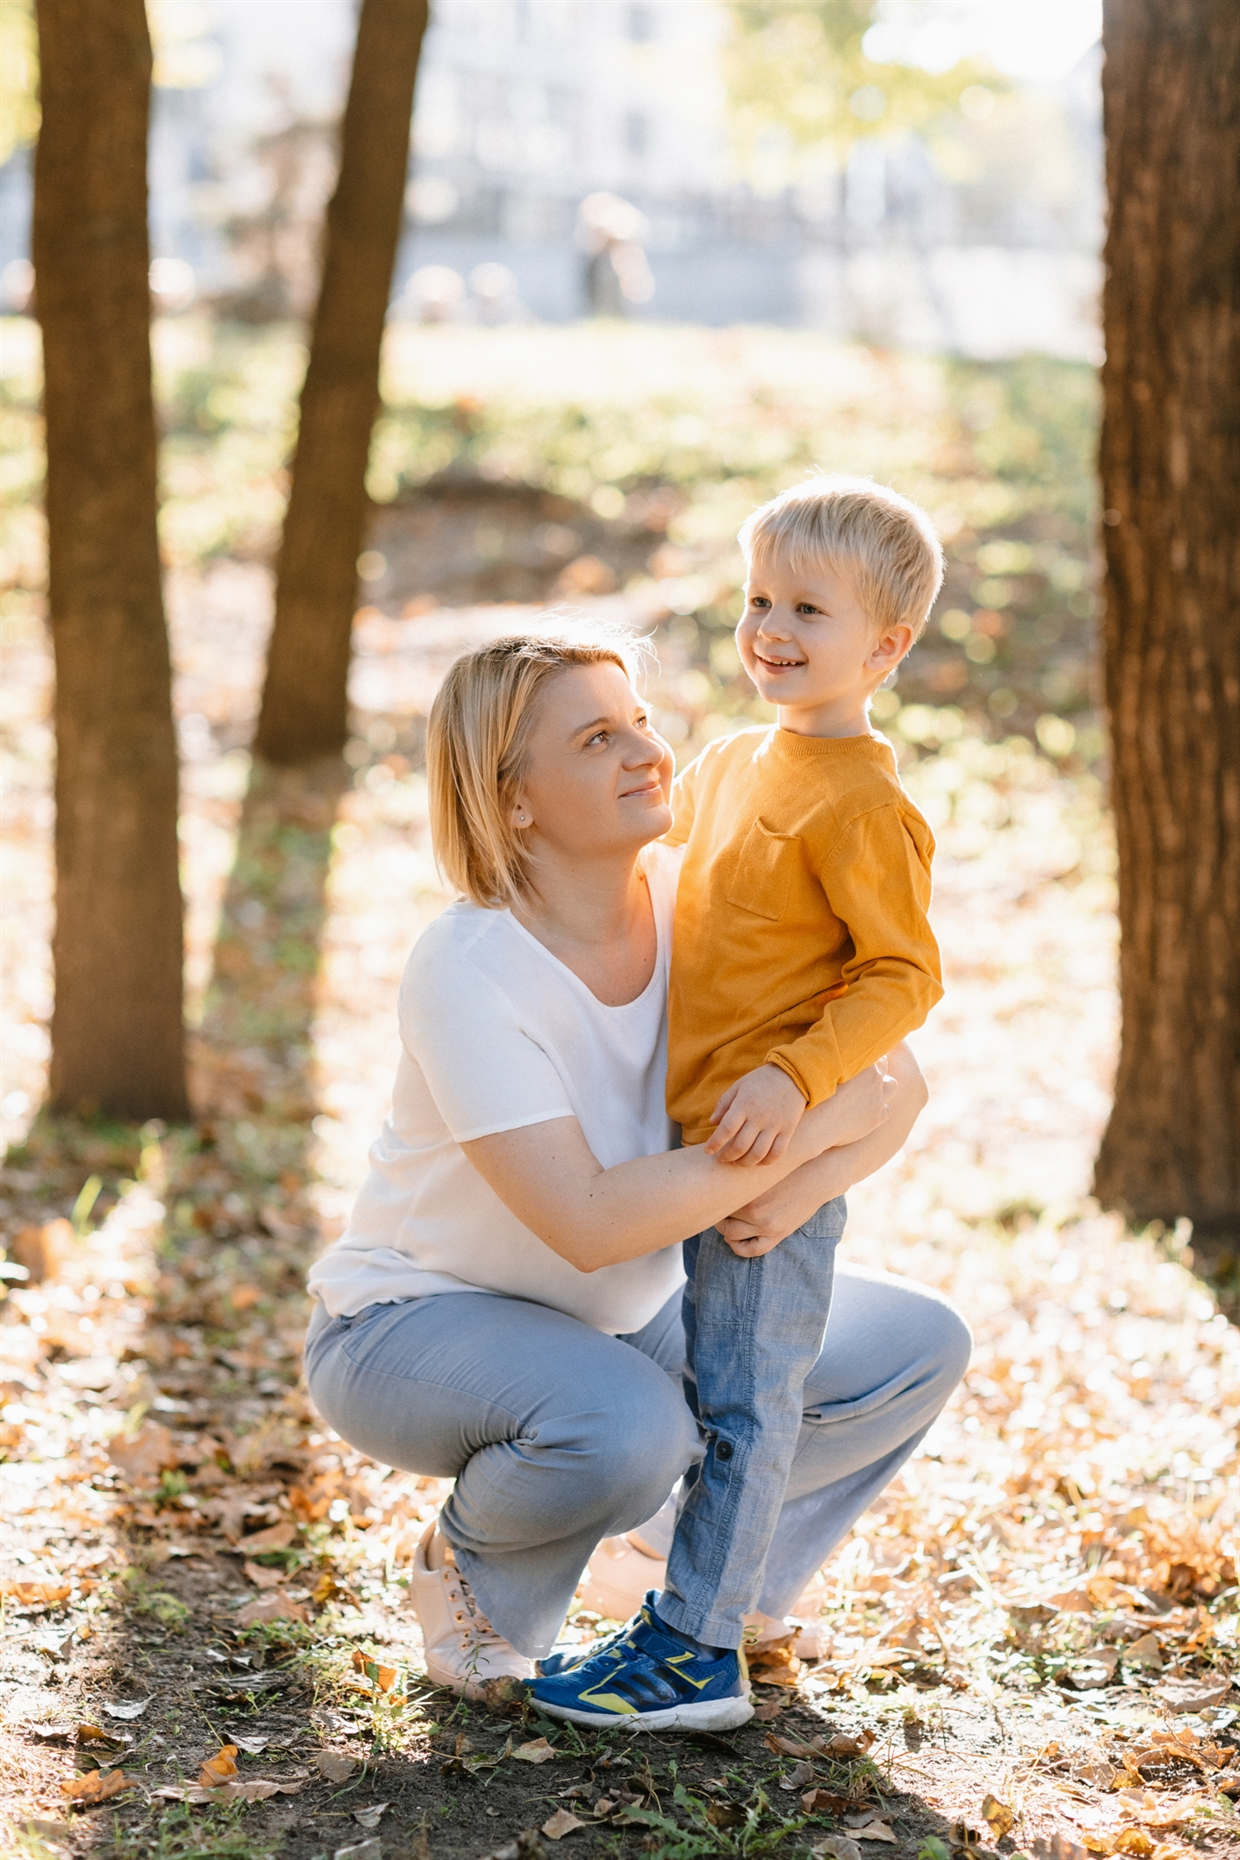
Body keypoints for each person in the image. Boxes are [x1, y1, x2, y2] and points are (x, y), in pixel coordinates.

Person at [304, 629, 970, 1732]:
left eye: (642, 721)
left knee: (909, 1350)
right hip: (412, 1325)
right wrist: (802, 1138)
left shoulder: (701, 898)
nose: (646, 752)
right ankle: (475, 1575)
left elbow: (891, 1083)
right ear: (512, 800)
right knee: (630, 1428)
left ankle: (703, 1584)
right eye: (596, 737)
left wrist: (801, 1175)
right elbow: (589, 1220)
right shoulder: (470, 966)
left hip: (623, 1319)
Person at [529, 480, 947, 1727]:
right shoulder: (724, 763)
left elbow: (902, 976)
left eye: (808, 609)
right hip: (681, 1143)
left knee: (746, 1404)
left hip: (763, 1145)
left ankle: (696, 1652)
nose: (769, 626)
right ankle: (672, 1606)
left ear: (884, 647)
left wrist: (793, 1083)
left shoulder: (863, 803)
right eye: (758, 599)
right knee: (694, 1384)